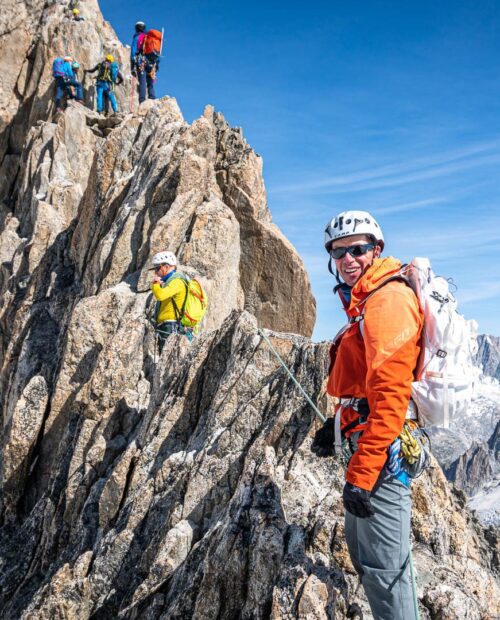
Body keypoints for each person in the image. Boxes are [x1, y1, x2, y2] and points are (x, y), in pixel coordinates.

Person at [311, 210, 424, 620]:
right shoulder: (365, 300)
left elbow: (391, 399)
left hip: (382, 456)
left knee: (384, 569)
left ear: (376, 251)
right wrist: (337, 425)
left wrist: (360, 477)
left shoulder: (387, 301)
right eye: (339, 252)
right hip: (366, 444)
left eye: (357, 249)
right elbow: (365, 387)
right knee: (363, 554)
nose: (348, 258)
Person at [150, 251, 192, 352]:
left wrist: (156, 283)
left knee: (165, 357)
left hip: (170, 326)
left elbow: (160, 295)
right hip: (166, 325)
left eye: (157, 268)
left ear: (166, 266)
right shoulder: (171, 281)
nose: (156, 272)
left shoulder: (177, 282)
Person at [130, 21, 159, 103]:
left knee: (142, 82)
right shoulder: (149, 38)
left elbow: (133, 52)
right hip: (152, 63)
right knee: (150, 83)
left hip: (141, 62)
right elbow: (157, 52)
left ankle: (142, 101)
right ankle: (152, 99)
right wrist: (157, 65)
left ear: (136, 28)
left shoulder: (137, 37)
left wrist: (132, 67)